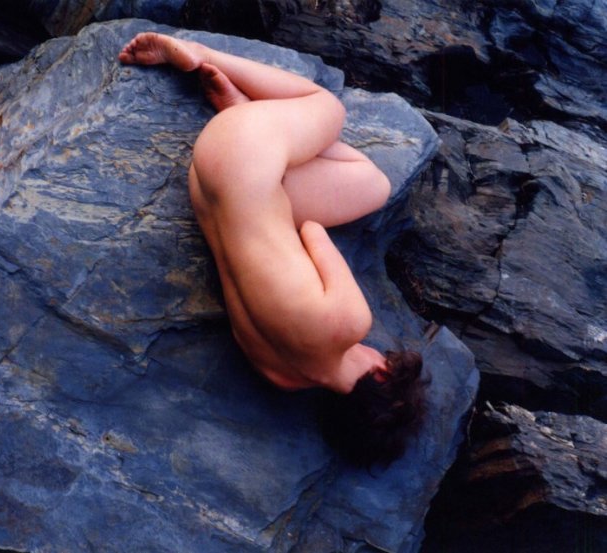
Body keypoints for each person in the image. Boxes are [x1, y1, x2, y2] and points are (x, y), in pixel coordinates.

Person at [119, 33, 425, 465]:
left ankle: (205, 60)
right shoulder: (280, 375)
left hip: (240, 150)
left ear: (379, 374)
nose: (380, 352)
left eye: (387, 361)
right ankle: (247, 113)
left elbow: (313, 232)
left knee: (328, 109)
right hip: (205, 185)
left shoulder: (349, 323)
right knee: (371, 187)